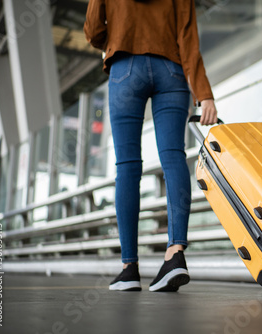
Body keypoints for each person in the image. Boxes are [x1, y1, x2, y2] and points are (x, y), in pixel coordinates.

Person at [84, 0, 218, 292]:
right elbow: (188, 37)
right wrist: (204, 94)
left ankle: (129, 268)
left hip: (125, 68)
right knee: (173, 157)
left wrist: (118, 37)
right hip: (171, 68)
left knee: (128, 166)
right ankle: (175, 253)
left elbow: (93, 30)